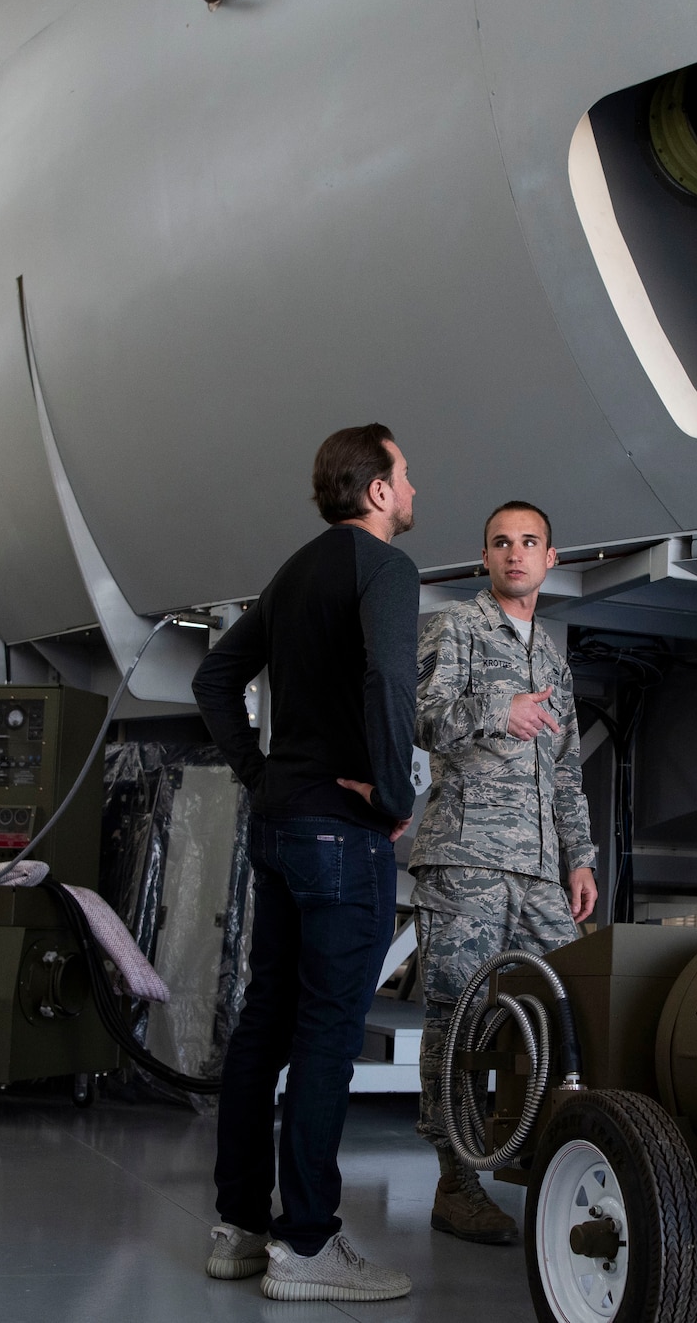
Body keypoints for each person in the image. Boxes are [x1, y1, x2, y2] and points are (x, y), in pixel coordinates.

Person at [191, 423, 420, 1302]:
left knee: (264, 1024)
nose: (412, 485)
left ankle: (239, 1229)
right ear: (376, 492)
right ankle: (310, 1246)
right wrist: (395, 797)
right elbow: (389, 683)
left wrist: (260, 771)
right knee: (326, 1036)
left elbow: (215, 680)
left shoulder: (292, 573)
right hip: (340, 833)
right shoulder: (386, 570)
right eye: (404, 474)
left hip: (281, 825)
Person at [409, 500, 598, 1244]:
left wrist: (579, 856)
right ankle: (455, 1181)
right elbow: (421, 716)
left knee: (578, 996)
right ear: (484, 558)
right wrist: (498, 705)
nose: (514, 553)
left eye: (529, 543)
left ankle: (562, 1152)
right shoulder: (457, 626)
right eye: (500, 543)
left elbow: (567, 770)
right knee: (455, 1015)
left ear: (552, 558)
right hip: (465, 859)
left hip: (540, 869)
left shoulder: (553, 656)